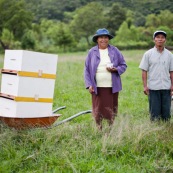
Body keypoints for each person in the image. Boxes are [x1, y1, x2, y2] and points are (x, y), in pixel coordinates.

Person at [84, 28, 127, 129]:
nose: (103, 40)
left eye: (106, 37)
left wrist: (116, 69)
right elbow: (86, 69)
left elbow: (123, 65)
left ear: (108, 39)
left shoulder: (114, 50)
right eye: (101, 37)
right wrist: (89, 84)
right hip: (97, 86)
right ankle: (99, 127)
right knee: (98, 108)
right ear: (97, 39)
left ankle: (110, 127)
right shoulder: (92, 52)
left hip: (112, 86)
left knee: (111, 108)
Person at [139, 30, 173, 121]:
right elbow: (144, 71)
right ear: (154, 39)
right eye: (158, 37)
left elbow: (171, 72)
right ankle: (155, 128)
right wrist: (145, 86)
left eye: (162, 37)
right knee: (154, 113)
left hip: (166, 87)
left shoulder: (170, 55)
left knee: (166, 113)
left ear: (165, 40)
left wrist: (172, 86)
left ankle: (165, 128)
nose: (160, 39)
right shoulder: (148, 54)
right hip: (153, 87)